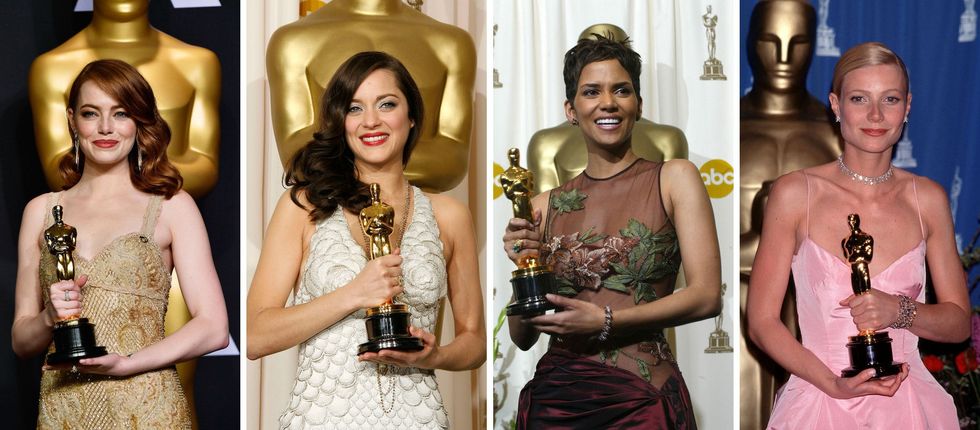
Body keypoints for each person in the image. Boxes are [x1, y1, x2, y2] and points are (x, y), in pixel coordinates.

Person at [246, 51, 485, 429]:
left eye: (386, 104)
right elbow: (258, 336)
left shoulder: (450, 215)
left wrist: (433, 356)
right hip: (322, 417)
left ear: (411, 117)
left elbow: (475, 341)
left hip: (418, 417)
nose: (371, 121)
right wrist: (354, 293)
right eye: (354, 109)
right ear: (341, 123)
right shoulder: (305, 206)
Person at [502, 36, 722, 429]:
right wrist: (524, 267)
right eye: (592, 92)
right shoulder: (542, 204)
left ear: (638, 104)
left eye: (622, 90)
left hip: (642, 402)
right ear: (571, 110)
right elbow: (521, 336)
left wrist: (606, 320)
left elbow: (706, 297)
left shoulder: (674, 178)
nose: (608, 102)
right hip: (555, 404)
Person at [746, 42, 967, 428]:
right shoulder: (796, 193)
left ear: (908, 107)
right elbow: (762, 320)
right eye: (860, 98)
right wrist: (833, 383)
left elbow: (957, 323)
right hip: (821, 402)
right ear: (836, 105)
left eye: (890, 99)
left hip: (910, 408)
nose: (876, 115)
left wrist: (900, 311)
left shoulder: (928, 199)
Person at [11, 59, 229, 429]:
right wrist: (51, 316)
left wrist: (127, 363)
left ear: (139, 121)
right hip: (65, 406)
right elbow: (21, 341)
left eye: (121, 113)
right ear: (71, 120)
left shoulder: (172, 207)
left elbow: (213, 327)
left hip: (147, 404)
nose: (106, 128)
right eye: (91, 113)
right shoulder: (41, 212)